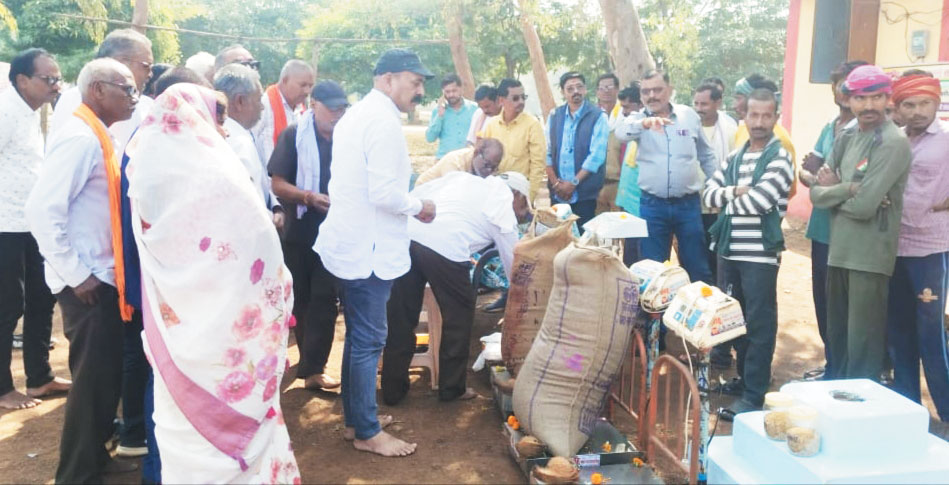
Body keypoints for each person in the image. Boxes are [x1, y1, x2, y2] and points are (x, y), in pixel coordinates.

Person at [125, 83, 300, 483]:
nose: (222, 131)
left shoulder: (147, 172)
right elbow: (258, 249)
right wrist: (280, 289)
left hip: (177, 332)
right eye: (218, 120)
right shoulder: (217, 180)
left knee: (182, 432)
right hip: (224, 331)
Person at [314, 48, 436, 457]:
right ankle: (366, 430)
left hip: (354, 243)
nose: (419, 91)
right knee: (368, 341)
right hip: (368, 249)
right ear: (387, 79)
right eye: (414, 82)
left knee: (358, 339)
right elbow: (385, 194)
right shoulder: (381, 121)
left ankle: (357, 421)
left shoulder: (359, 115)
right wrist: (420, 206)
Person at [26, 58, 138, 484]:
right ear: (97, 90)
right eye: (126, 88)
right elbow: (42, 210)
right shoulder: (79, 138)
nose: (133, 97)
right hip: (87, 283)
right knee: (92, 385)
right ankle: (77, 475)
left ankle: (96, 460)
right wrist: (76, 274)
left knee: (105, 380)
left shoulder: (98, 133)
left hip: (104, 276)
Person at [382, 171, 529, 405]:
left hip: (408, 237)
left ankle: (392, 389)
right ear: (517, 194)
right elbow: (514, 262)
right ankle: (451, 388)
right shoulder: (501, 202)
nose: (522, 213)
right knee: (459, 316)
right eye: (524, 206)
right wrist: (524, 292)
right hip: (446, 247)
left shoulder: (466, 181)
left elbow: (418, 195)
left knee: (402, 315)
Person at [805, 65, 912, 381]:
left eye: (876, 97)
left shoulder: (892, 142)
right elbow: (816, 194)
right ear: (848, 99)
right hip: (838, 251)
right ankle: (836, 397)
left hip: (870, 256)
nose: (869, 106)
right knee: (837, 339)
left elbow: (865, 207)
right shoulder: (847, 135)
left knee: (862, 345)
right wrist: (849, 188)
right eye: (861, 98)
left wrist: (836, 190)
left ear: (887, 98)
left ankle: (859, 404)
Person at [704, 88, 794, 416]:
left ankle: (754, 394)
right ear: (744, 116)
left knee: (759, 324)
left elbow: (761, 201)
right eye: (753, 115)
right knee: (735, 320)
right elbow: (707, 195)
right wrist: (737, 191)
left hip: (759, 256)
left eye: (766, 115)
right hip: (729, 251)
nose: (759, 122)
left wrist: (727, 198)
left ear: (776, 117)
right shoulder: (735, 156)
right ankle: (744, 380)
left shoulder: (780, 157)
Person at [0, 48, 71, 411]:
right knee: (8, 305)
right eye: (49, 78)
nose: (56, 85)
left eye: (58, 78)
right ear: (22, 80)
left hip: (32, 223)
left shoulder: (34, 111)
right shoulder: (5, 110)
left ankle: (39, 376)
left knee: (43, 297)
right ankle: (2, 388)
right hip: (5, 225)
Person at [268, 80, 350, 391]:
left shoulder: (348, 137)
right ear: (314, 105)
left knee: (325, 299)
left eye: (342, 109)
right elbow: (277, 184)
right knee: (300, 300)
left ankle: (316, 369)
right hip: (298, 232)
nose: (338, 115)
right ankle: (306, 360)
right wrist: (307, 197)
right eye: (332, 109)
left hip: (335, 232)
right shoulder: (294, 136)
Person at [885, 71, 949, 421]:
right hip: (894, 248)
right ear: (898, 107)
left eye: (925, 103)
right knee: (899, 333)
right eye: (908, 104)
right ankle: (909, 411)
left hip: (930, 250)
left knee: (931, 337)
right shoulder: (895, 140)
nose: (917, 111)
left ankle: (948, 413)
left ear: (936, 103)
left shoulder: (946, 140)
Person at [799, 60, 868, 380]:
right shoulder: (830, 127)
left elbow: (859, 183)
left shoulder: (869, 133)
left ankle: (852, 373)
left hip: (852, 233)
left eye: (850, 85)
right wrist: (824, 182)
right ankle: (833, 366)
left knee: (851, 308)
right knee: (824, 303)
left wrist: (828, 182)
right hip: (822, 230)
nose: (843, 91)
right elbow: (807, 171)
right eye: (839, 85)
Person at [615, 69, 716, 284]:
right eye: (646, 92)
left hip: (688, 205)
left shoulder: (688, 116)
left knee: (697, 266)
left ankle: (698, 303)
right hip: (653, 206)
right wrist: (645, 124)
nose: (651, 96)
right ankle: (655, 307)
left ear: (670, 90)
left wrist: (717, 184)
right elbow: (621, 133)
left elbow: (706, 154)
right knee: (652, 270)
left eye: (657, 90)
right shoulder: (637, 119)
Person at [50, 29, 154, 157]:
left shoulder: (147, 106)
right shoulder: (75, 99)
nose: (150, 74)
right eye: (146, 66)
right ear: (119, 62)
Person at [694, 80, 739, 368]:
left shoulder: (730, 129)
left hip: (721, 210)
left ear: (718, 103)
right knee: (697, 271)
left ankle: (721, 342)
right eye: (696, 103)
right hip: (693, 208)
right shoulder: (688, 124)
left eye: (705, 104)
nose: (699, 109)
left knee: (719, 273)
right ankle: (699, 333)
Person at [214, 64, 285, 233]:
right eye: (258, 100)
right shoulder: (237, 142)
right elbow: (244, 204)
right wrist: (269, 217)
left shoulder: (241, 134)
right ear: (240, 101)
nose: (262, 107)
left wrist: (274, 206)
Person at [545, 71, 610, 228]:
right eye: (570, 88)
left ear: (585, 89)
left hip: (585, 194)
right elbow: (547, 152)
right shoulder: (554, 116)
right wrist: (556, 184)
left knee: (583, 238)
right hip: (557, 194)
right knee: (558, 237)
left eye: (579, 87)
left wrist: (573, 183)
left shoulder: (598, 116)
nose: (576, 91)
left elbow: (596, 156)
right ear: (563, 92)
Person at [481, 78, 547, 201]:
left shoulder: (532, 124)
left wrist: (530, 196)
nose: (521, 102)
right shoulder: (491, 125)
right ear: (501, 100)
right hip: (496, 192)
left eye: (523, 97)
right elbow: (483, 160)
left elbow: (538, 165)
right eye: (515, 98)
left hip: (521, 193)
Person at [252, 59, 315, 166]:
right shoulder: (264, 105)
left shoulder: (303, 110)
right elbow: (251, 141)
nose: (307, 91)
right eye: (303, 85)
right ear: (285, 80)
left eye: (310, 86)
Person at [732, 74, 796, 168]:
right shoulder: (741, 130)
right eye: (754, 115)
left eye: (738, 98)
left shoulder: (780, 140)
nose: (734, 106)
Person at [612, 84, 644, 264]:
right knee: (630, 254)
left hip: (643, 207)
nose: (623, 112)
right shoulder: (630, 131)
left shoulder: (648, 129)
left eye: (626, 107)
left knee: (641, 256)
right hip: (629, 204)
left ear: (640, 105)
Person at [426, 74, 477, 159]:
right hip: (444, 159)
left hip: (468, 159)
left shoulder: (474, 109)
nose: (451, 95)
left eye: (454, 91)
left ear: (461, 89)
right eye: (447, 92)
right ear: (443, 92)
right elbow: (430, 138)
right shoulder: (438, 111)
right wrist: (440, 115)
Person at [415, 137, 504, 186]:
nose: (489, 170)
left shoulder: (485, 168)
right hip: (425, 193)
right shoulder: (455, 163)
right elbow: (453, 194)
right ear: (476, 153)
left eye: (494, 167)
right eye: (487, 165)